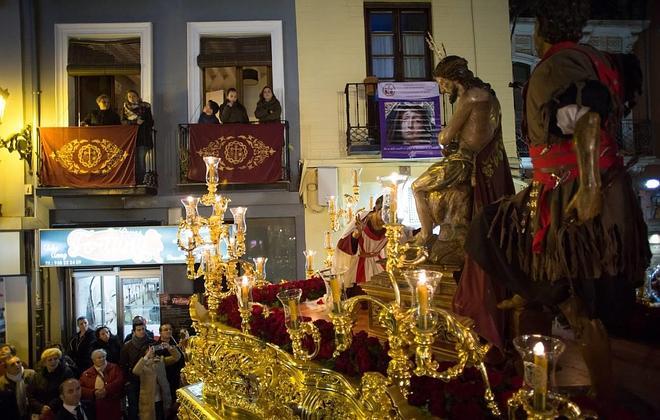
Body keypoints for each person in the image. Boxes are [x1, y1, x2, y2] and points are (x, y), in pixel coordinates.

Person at [465, 0, 649, 399]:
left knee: (490, 231)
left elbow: (587, 117)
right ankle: (539, 293)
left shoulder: (557, 65)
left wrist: (588, 187)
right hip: (574, 184)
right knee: (501, 234)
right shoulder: (594, 59)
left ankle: (604, 395)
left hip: (572, 187)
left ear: (540, 30)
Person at [411, 55, 514, 267]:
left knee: (417, 187)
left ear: (452, 78)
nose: (442, 89)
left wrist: (443, 136)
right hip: (480, 160)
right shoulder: (488, 96)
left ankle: (425, 234)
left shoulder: (470, 97)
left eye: (442, 83)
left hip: (463, 161)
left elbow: (445, 137)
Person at [335, 197, 387, 286]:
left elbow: (406, 236)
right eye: (384, 213)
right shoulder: (362, 219)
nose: (386, 217)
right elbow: (343, 244)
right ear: (376, 209)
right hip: (358, 266)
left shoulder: (392, 224)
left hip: (378, 265)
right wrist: (356, 234)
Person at [120, 318, 156, 420]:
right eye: (139, 330)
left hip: (148, 378)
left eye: (143, 329)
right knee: (133, 406)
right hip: (132, 379)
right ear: (134, 331)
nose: (141, 331)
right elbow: (122, 364)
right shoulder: (127, 346)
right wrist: (126, 380)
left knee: (148, 406)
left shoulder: (151, 343)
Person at [29, 347, 76, 418]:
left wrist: (50, 407)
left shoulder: (66, 372)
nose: (53, 362)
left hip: (60, 410)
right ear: (44, 362)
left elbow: (66, 393)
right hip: (40, 410)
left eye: (55, 359)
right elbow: (31, 395)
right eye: (50, 360)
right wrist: (41, 407)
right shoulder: (38, 375)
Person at [79, 349, 124, 420]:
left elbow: (119, 381)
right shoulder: (87, 373)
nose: (102, 359)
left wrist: (106, 389)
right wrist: (93, 392)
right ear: (93, 360)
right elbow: (80, 388)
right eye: (99, 358)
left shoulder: (114, 367)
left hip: (112, 403)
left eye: (104, 356)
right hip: (95, 406)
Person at [132, 345, 174, 420]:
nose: (151, 351)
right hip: (149, 398)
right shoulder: (142, 364)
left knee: (162, 416)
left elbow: (176, 357)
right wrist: (147, 356)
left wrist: (169, 348)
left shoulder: (160, 360)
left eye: (152, 349)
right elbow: (135, 371)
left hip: (162, 397)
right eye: (148, 350)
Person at [121, 89, 154, 185]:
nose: (132, 98)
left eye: (133, 96)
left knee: (140, 160)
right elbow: (123, 122)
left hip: (142, 137)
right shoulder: (125, 108)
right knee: (130, 159)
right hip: (130, 139)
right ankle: (131, 179)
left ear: (138, 97)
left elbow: (151, 122)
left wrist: (143, 122)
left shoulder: (145, 107)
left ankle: (140, 181)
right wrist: (135, 122)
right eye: (129, 96)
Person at [0, 355, 36, 419]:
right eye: (12, 364)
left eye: (18, 362)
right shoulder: (1, 382)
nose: (17, 365)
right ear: (6, 368)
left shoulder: (31, 374)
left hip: (31, 412)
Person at [155, 323, 185, 399]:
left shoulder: (174, 343)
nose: (168, 331)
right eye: (165, 330)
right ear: (160, 333)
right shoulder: (157, 346)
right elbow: (163, 362)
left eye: (170, 329)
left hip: (178, 377)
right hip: (167, 379)